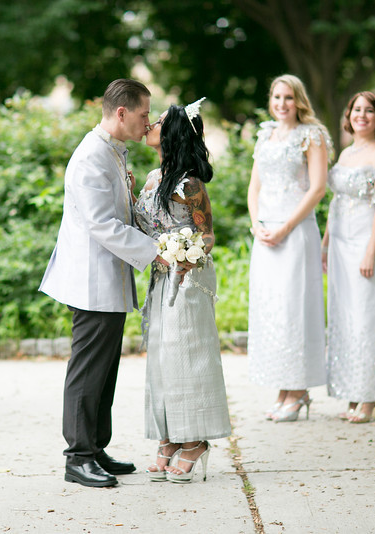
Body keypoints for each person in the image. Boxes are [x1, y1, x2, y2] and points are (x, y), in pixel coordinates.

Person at [39, 79, 163, 488]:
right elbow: (101, 224)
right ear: (122, 112)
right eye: (144, 114)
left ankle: (95, 446)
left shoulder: (112, 150)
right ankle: (77, 457)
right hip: (90, 281)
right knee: (88, 370)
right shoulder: (92, 155)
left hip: (108, 279)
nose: (148, 123)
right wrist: (153, 251)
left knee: (105, 369)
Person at [135, 99, 231, 484]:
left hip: (188, 280)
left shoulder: (188, 183)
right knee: (161, 356)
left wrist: (189, 256)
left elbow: (206, 234)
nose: (149, 124)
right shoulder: (152, 178)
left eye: (157, 121)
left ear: (171, 134)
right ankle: (170, 436)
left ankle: (195, 441)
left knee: (187, 356)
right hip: (160, 277)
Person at [246, 74, 332, 423]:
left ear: (299, 101)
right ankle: (284, 389)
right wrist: (257, 225)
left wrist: (284, 228)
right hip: (266, 235)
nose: (281, 103)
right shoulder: (265, 134)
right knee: (274, 311)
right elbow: (254, 186)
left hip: (295, 233)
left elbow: (318, 189)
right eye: (276, 97)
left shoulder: (312, 135)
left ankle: (298, 391)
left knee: (296, 309)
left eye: (288, 97)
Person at [322, 91, 375, 423]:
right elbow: (336, 202)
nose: (362, 115)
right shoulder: (345, 154)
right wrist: (326, 241)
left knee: (368, 316)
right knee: (347, 317)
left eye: (369, 111)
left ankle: (370, 395)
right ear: (349, 114)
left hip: (370, 243)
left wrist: (370, 251)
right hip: (341, 243)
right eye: (357, 109)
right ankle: (353, 390)